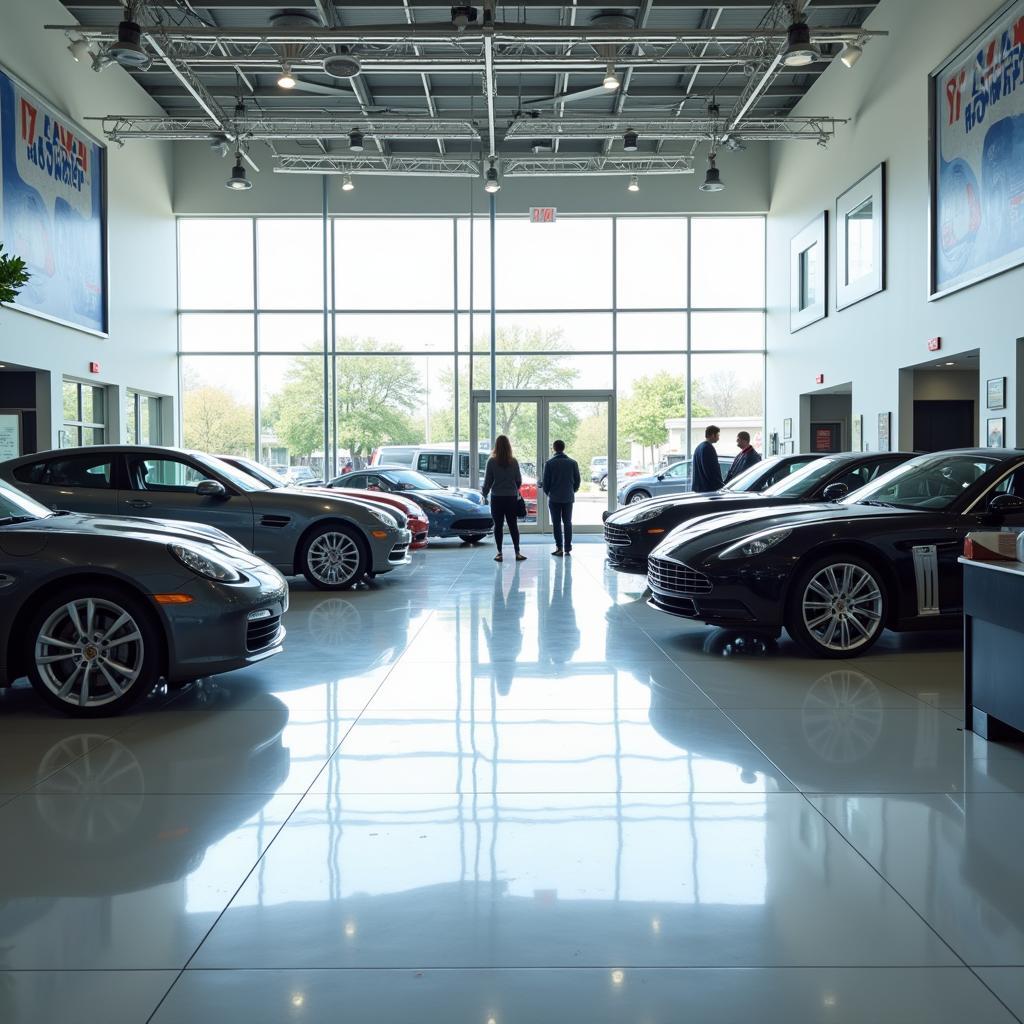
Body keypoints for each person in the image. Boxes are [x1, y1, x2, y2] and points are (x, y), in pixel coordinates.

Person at [481, 434, 526, 562]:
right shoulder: (514, 461)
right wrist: (512, 488)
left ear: (496, 446)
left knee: (498, 526)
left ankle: (499, 553)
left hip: (497, 498)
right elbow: (518, 480)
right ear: (508, 446)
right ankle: (517, 552)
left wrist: (484, 494)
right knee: (513, 525)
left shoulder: (491, 461)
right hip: (511, 497)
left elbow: (488, 481)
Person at [542, 439, 581, 556]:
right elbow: (578, 480)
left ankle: (559, 548)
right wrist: (572, 491)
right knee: (567, 522)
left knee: (556, 523)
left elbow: (546, 483)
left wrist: (549, 493)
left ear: (554, 448)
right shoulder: (573, 463)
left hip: (554, 498)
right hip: (568, 497)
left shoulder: (549, 464)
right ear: (563, 448)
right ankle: (568, 547)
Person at [692, 425, 724, 492]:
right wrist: (720, 486)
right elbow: (710, 471)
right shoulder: (708, 448)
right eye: (718, 435)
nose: (718, 438)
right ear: (712, 435)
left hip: (699, 488)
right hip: (707, 489)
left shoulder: (699, 447)